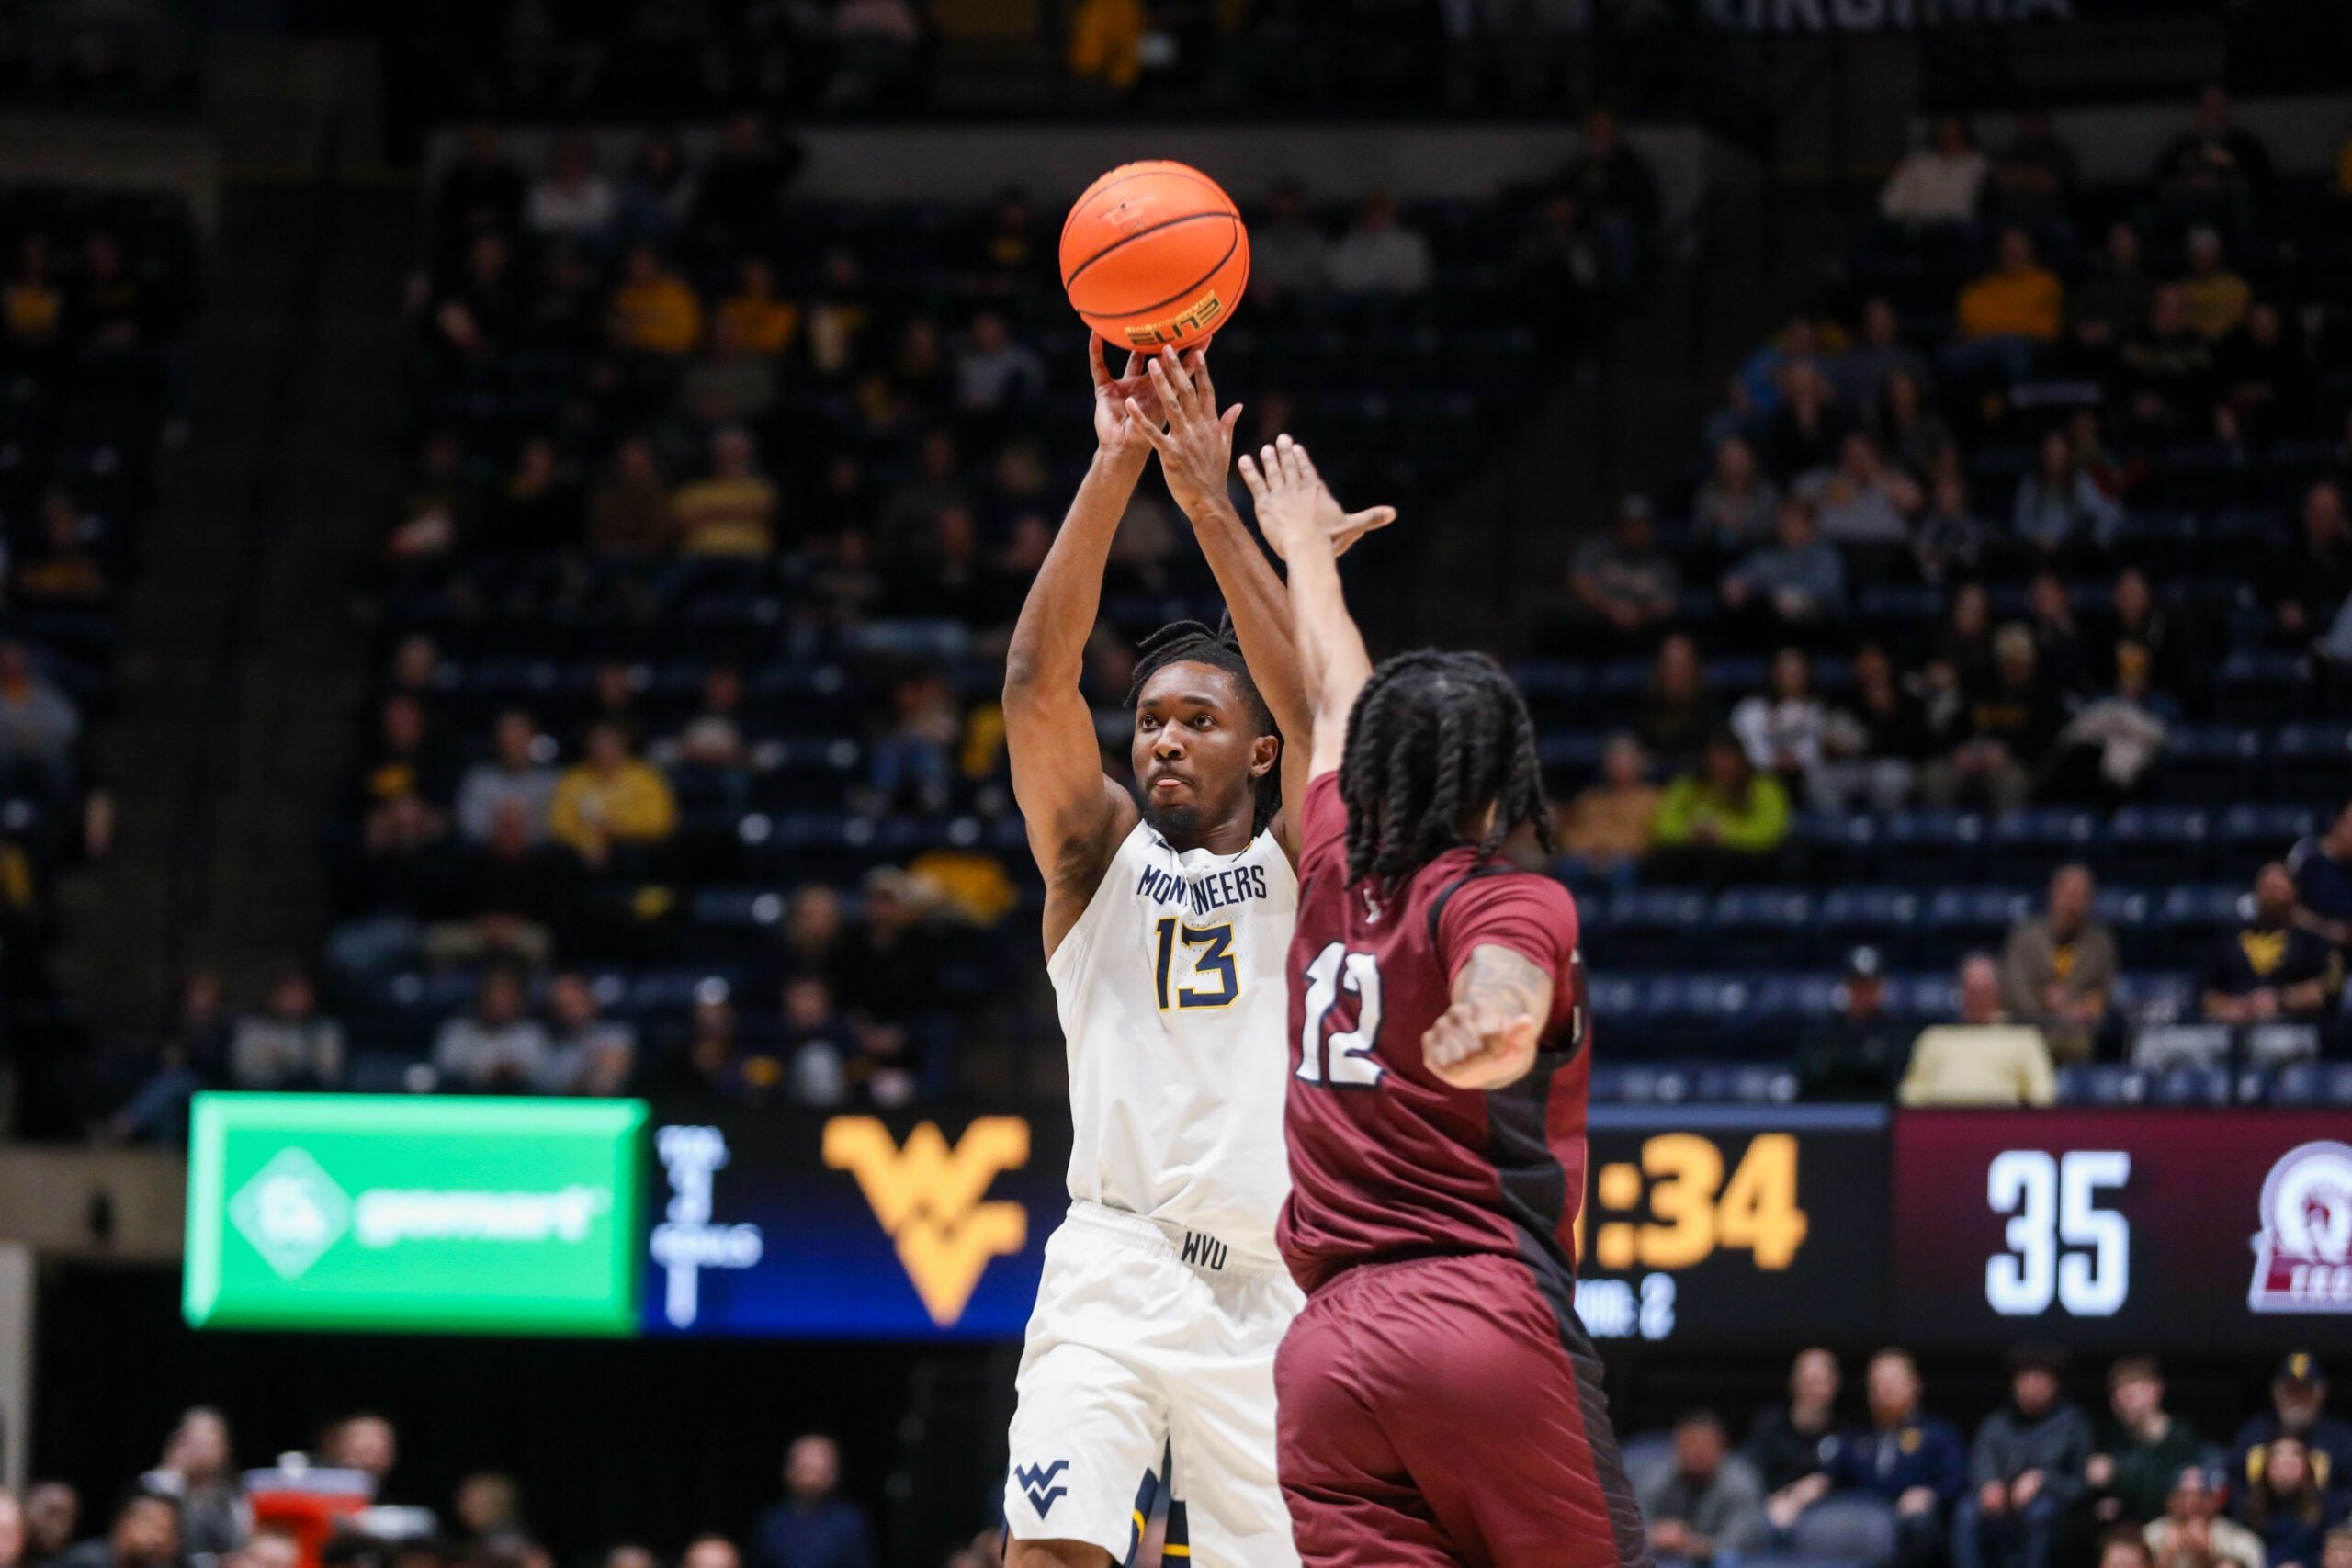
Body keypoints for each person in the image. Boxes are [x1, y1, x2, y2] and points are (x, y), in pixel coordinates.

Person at [994, 345, 1385, 1568]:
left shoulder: (1302, 853)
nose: (1162, 738)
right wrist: (1116, 467)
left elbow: (1324, 710)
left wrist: (1211, 502)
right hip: (1113, 1260)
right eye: (1151, 717)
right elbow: (1031, 680)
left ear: (1258, 755)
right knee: (1052, 1550)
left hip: (1271, 1291)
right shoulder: (1094, 856)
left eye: (1198, 719)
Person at [1245, 434, 1647, 1568]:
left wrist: (1308, 554)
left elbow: (1333, 690)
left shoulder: (1326, 855)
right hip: (1475, 1318)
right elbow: (1506, 979)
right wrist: (1491, 1027)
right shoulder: (1505, 896)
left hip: (1323, 1361)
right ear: (1493, 784)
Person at [1822, 1350, 1968, 1568]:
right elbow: (1831, 1479)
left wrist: (1931, 1495)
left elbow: (1957, 1480)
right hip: (1864, 1523)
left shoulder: (1937, 1434)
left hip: (1913, 1524)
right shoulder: (1855, 1437)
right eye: (1877, 1383)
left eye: (1892, 1381)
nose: (1884, 1390)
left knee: (1921, 1525)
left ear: (1915, 1385)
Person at [1953, 1345, 2093, 1568]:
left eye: (2039, 1379)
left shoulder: (2072, 1424)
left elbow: (2080, 1486)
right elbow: (1979, 1467)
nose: (2031, 1386)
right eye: (2025, 1379)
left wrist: (2043, 1480)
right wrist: (1988, 1485)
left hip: (2053, 1515)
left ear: (2053, 1384)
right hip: (2000, 1513)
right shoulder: (1996, 1424)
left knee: (2041, 1511)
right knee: (1967, 1511)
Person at [1900, 954, 2058, 1107]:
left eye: (1983, 990)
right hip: (1942, 1126)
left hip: (2003, 1127)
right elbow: (1911, 1091)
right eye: (1972, 990)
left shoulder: (2023, 1037)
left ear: (1997, 992)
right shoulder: (1935, 1036)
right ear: (1960, 992)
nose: (1977, 998)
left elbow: (2043, 1093)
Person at [1999, 864, 2118, 1066]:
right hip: (2030, 1035)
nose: (2075, 904)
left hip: (2080, 1040)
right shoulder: (2024, 938)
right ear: (2055, 893)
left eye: (2083, 896)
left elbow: (2105, 993)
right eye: (2071, 894)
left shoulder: (2100, 943)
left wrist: (2082, 1009)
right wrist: (2045, 1005)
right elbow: (2014, 991)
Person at [2203, 868, 2346, 1029]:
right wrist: (2231, 1007)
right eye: (2266, 888)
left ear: (2294, 894)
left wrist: (2280, 1000)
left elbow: (2329, 989)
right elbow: (2205, 992)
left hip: (2297, 1028)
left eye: (2278, 889)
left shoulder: (2313, 940)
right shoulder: (2229, 937)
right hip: (2233, 1030)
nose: (2271, 897)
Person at [1650, 731, 1792, 883]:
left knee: (1720, 862)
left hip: (1745, 858)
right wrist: (1692, 832)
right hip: (1693, 853)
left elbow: (1769, 831)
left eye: (1727, 756)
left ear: (1741, 758)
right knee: (1663, 862)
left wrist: (1724, 833)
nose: (1720, 763)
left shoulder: (1764, 787)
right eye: (1714, 757)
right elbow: (1663, 825)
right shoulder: (1687, 785)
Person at [2090, 1359, 2208, 1528]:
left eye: (2130, 1393)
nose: (2121, 1400)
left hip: (2171, 1526)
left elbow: (2179, 1488)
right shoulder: (2112, 1437)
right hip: (2127, 1530)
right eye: (2116, 1393)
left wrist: (2119, 1472)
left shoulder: (2181, 1435)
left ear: (2155, 1391)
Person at [1639, 1411, 1766, 1564]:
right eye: (1690, 1444)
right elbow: (1631, 1529)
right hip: (1664, 1559)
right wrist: (1655, 1535)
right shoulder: (1655, 1478)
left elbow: (1743, 1542)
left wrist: (1691, 1544)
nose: (1697, 1453)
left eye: (1704, 1445)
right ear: (1676, 1445)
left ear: (1722, 1446)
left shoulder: (1741, 1484)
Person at [548, 723, 677, 869]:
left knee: (630, 853)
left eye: (610, 746)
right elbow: (559, 825)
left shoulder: (645, 777)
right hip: (581, 853)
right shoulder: (573, 780)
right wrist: (587, 844)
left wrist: (614, 828)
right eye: (598, 747)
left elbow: (659, 822)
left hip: (635, 850)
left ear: (623, 748)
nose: (603, 752)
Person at [1564, 496, 1679, 649]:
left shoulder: (1662, 563)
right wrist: (1610, 608)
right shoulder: (1597, 551)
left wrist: (1639, 614)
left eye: (1641, 524)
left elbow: (1668, 603)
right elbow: (1578, 581)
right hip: (1597, 626)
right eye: (1630, 524)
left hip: (1644, 633)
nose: (1636, 531)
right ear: (1618, 525)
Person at [1747, 1348, 1845, 1530]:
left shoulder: (1846, 1432)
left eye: (1820, 1382)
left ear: (1834, 1385)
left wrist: (1804, 1494)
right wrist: (1779, 1499)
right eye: (1807, 1382)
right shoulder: (1770, 1426)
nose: (1813, 1390)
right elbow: (1750, 1476)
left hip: (1826, 1521)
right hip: (1771, 1514)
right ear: (1793, 1383)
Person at [2233, 1355, 2352, 1502]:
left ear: (2320, 1394)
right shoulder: (2254, 1433)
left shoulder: (2341, 1438)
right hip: (2256, 1520)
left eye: (2305, 1391)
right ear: (2277, 1393)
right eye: (2292, 1390)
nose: (2298, 1399)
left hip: (2328, 1520)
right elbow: (2233, 1483)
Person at [1796, 947, 1907, 1101]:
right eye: (1857, 985)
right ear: (1846, 986)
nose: (1863, 992)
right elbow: (1808, 1075)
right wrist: (1868, 1061)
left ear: (1880, 987)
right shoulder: (1822, 1030)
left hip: (1881, 1115)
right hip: (1830, 1115)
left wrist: (1838, 1062)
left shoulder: (1896, 1031)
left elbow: (1894, 1076)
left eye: (1869, 985)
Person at [141, 1408, 246, 1568]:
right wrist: (173, 1469)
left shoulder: (234, 1495)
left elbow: (243, 1541)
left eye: (210, 1444)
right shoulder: (155, 1485)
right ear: (178, 1443)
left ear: (225, 1448)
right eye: (195, 1443)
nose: (202, 1453)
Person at [752, 1435, 872, 1568]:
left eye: (819, 1471)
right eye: (805, 1469)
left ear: (834, 1473)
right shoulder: (771, 1522)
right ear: (789, 1471)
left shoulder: (849, 1523)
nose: (811, 1479)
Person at [1555, 735, 1659, 887]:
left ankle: (1623, 910)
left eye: (1623, 757)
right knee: (1570, 867)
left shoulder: (1651, 798)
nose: (1616, 764)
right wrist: (1592, 852)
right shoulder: (1590, 798)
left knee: (1621, 870)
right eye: (1612, 758)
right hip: (1585, 858)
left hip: (1628, 860)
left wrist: (1609, 851)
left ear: (1640, 761)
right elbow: (1569, 835)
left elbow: (1647, 839)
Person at [432, 966, 552, 1091]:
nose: (498, 1004)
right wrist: (485, 1071)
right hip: (465, 1101)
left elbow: (543, 1074)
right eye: (493, 997)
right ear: (480, 998)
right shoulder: (456, 1030)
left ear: (518, 1002)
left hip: (521, 1104)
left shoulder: (533, 1034)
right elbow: (444, 1068)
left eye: (505, 998)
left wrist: (510, 1073)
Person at [228, 970, 345, 1090]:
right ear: (273, 995)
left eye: (300, 994)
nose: (295, 1000)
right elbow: (243, 1071)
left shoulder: (325, 1029)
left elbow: (330, 1073)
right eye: (288, 994)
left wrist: (280, 1058)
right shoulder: (252, 1027)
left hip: (315, 1097)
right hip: (259, 1095)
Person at [2236, 1438, 2331, 1568]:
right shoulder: (2249, 1505)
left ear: (2307, 1468)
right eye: (2279, 1465)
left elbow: (2329, 1551)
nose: (2285, 1472)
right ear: (2266, 1469)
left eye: (2292, 1466)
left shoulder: (2325, 1505)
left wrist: (2304, 1564)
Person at [1881, 114, 1989, 226]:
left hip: (1954, 228)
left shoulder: (1976, 164)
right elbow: (1890, 203)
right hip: (1911, 226)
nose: (1950, 139)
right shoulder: (1916, 162)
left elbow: (1958, 206)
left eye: (1956, 135)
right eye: (1945, 133)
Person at [2144, 1468, 2264, 1568]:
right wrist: (2166, 1558)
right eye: (2184, 1495)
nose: (2192, 1503)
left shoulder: (2238, 1540)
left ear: (2215, 1501)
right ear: (2171, 1500)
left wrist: (2205, 1557)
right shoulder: (2152, 1535)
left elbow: (2254, 1560)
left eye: (2202, 1495)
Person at [1325, 192, 1432, 298]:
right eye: (1371, 214)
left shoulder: (1409, 242)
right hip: (1354, 299)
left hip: (1396, 301)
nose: (1376, 218)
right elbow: (1337, 276)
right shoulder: (1351, 241)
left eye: (1382, 213)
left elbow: (1416, 280)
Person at [51, 1495, 177, 1568]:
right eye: (153, 1527)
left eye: (166, 1531)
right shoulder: (87, 1561)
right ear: (124, 1524)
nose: (159, 1538)